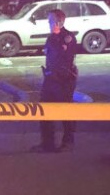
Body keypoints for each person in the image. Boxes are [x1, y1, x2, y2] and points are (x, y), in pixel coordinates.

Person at [32, 9, 78, 153]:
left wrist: (58, 37)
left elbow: (65, 55)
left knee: (65, 111)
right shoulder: (51, 37)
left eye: (51, 20)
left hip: (64, 80)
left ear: (60, 21)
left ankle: (68, 142)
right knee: (44, 110)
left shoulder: (67, 37)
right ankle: (47, 143)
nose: (48, 23)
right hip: (50, 78)